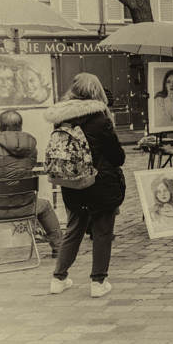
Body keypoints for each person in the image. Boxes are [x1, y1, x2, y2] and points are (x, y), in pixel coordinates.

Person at [45, 73, 126, 298]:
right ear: (96, 91)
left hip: (72, 183)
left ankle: (58, 278)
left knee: (74, 229)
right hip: (100, 184)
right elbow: (117, 156)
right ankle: (98, 282)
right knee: (102, 232)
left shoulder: (61, 119)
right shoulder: (100, 119)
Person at [0, 110, 63, 261]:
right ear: (20, 126)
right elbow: (27, 169)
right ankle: (59, 247)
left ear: (0, 127)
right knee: (45, 205)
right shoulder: (31, 147)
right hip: (26, 206)